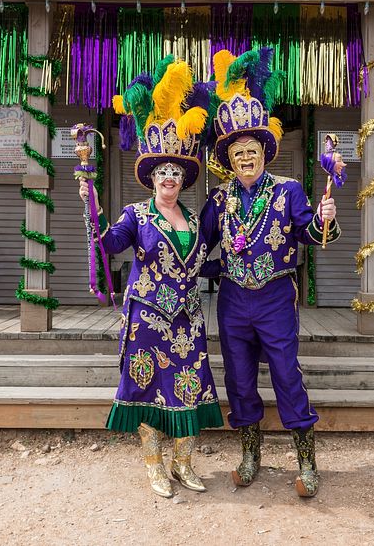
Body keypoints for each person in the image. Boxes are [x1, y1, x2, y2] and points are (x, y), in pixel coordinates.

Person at [199, 48, 340, 498]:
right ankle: (250, 455)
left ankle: (306, 461)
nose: (245, 157)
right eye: (237, 152)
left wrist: (326, 218)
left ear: (265, 151)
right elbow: (198, 244)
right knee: (239, 378)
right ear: (229, 157)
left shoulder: (289, 190)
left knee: (285, 374)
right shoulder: (219, 199)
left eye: (252, 150)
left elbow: (312, 234)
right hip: (234, 300)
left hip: (276, 297)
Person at [79, 56, 222, 498]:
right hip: (146, 318)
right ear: (151, 178)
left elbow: (207, 261)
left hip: (187, 318)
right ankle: (154, 466)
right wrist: (94, 211)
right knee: (146, 390)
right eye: (163, 173)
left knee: (189, 388)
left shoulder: (196, 219)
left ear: (183, 179)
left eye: (176, 173)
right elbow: (111, 244)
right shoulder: (136, 216)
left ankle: (183, 463)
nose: (169, 180)